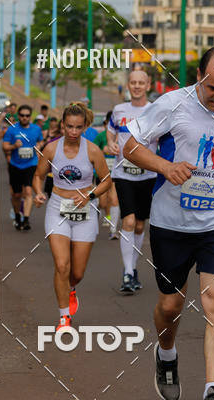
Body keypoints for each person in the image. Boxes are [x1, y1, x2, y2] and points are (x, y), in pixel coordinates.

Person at [123, 46, 214, 400]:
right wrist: (165, 167)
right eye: (213, 88)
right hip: (172, 222)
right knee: (171, 305)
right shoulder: (172, 104)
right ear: (199, 76)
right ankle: (166, 353)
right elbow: (130, 146)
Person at [33, 102, 111, 331]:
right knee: (62, 265)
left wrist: (90, 195)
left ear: (85, 127)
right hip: (58, 207)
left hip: (84, 210)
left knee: (76, 273)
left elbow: (107, 180)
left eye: (78, 127)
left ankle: (71, 288)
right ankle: (64, 317)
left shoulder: (92, 151)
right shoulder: (51, 149)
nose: (73, 132)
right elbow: (38, 176)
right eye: (69, 126)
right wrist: (39, 193)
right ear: (63, 125)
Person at [106, 70, 156, 294]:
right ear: (128, 85)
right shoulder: (119, 110)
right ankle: (127, 273)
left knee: (139, 225)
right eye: (133, 82)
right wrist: (111, 144)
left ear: (148, 85)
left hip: (148, 175)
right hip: (123, 174)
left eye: (140, 83)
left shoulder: (155, 110)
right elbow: (111, 132)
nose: (136, 86)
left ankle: (133, 269)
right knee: (128, 221)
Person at [2, 104, 44, 231]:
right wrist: (14, 146)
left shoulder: (36, 129)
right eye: (22, 115)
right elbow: (4, 146)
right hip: (15, 165)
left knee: (28, 191)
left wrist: (39, 146)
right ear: (18, 116)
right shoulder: (12, 130)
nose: (24, 117)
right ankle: (17, 216)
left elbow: (41, 141)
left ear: (30, 116)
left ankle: (26, 219)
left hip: (31, 164)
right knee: (16, 194)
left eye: (27, 115)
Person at [93, 111, 120, 240]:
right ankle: (99, 213)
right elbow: (92, 151)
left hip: (116, 173)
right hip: (102, 173)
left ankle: (112, 229)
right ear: (105, 124)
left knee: (113, 199)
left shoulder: (122, 136)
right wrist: (101, 151)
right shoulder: (101, 136)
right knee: (103, 201)